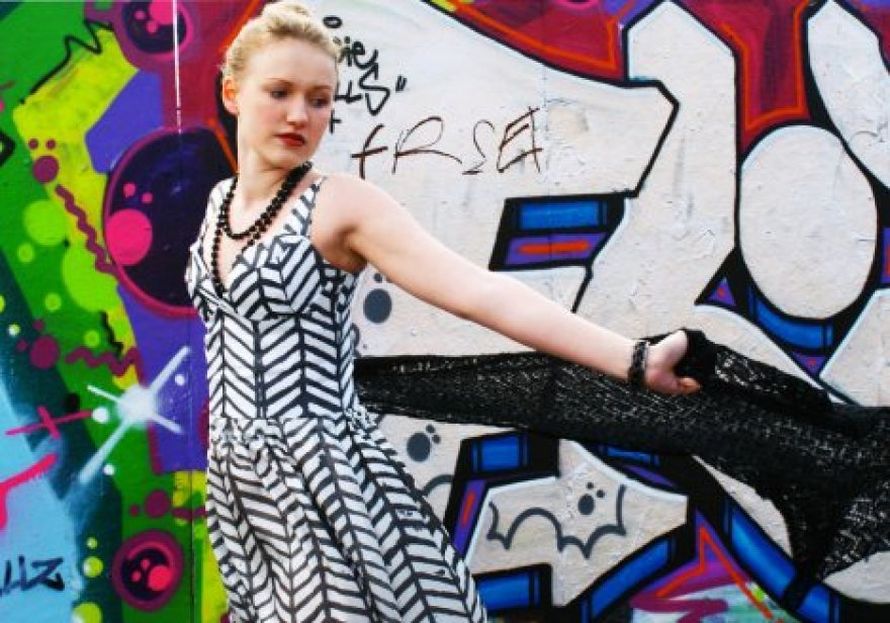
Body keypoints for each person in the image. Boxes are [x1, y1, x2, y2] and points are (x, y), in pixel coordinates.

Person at [184, 2, 700, 621]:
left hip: (325, 483)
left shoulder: (340, 205)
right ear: (233, 93)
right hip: (243, 491)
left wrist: (635, 360)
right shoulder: (218, 205)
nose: (300, 115)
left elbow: (480, 292)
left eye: (319, 100)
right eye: (280, 92)